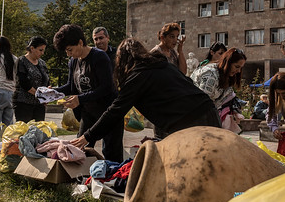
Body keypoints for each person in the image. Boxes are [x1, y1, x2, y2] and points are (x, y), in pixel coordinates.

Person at [70, 38, 221, 150]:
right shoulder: (163, 66)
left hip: (190, 122)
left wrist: (87, 136)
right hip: (210, 112)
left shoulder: (138, 76)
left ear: (122, 61)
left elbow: (115, 110)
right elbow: (183, 87)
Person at [54, 24, 123, 162]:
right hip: (88, 113)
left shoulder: (99, 57)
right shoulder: (73, 61)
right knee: (80, 149)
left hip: (108, 113)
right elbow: (71, 86)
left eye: (70, 50)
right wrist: (52, 92)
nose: (68, 54)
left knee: (111, 153)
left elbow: (107, 87)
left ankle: (115, 180)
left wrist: (79, 99)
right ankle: (83, 178)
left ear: (80, 42)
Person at [190, 48, 247, 132]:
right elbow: (201, 103)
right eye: (237, 66)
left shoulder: (227, 77)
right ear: (228, 62)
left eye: (241, 68)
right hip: (193, 115)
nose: (238, 71)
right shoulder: (210, 74)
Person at [13, 36, 49, 123]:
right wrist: (38, 94)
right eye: (40, 50)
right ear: (32, 48)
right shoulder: (21, 61)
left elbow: (46, 80)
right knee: (24, 132)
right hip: (23, 103)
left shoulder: (42, 63)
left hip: (39, 104)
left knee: (39, 130)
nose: (42, 53)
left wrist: (47, 94)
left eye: (44, 50)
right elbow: (23, 82)